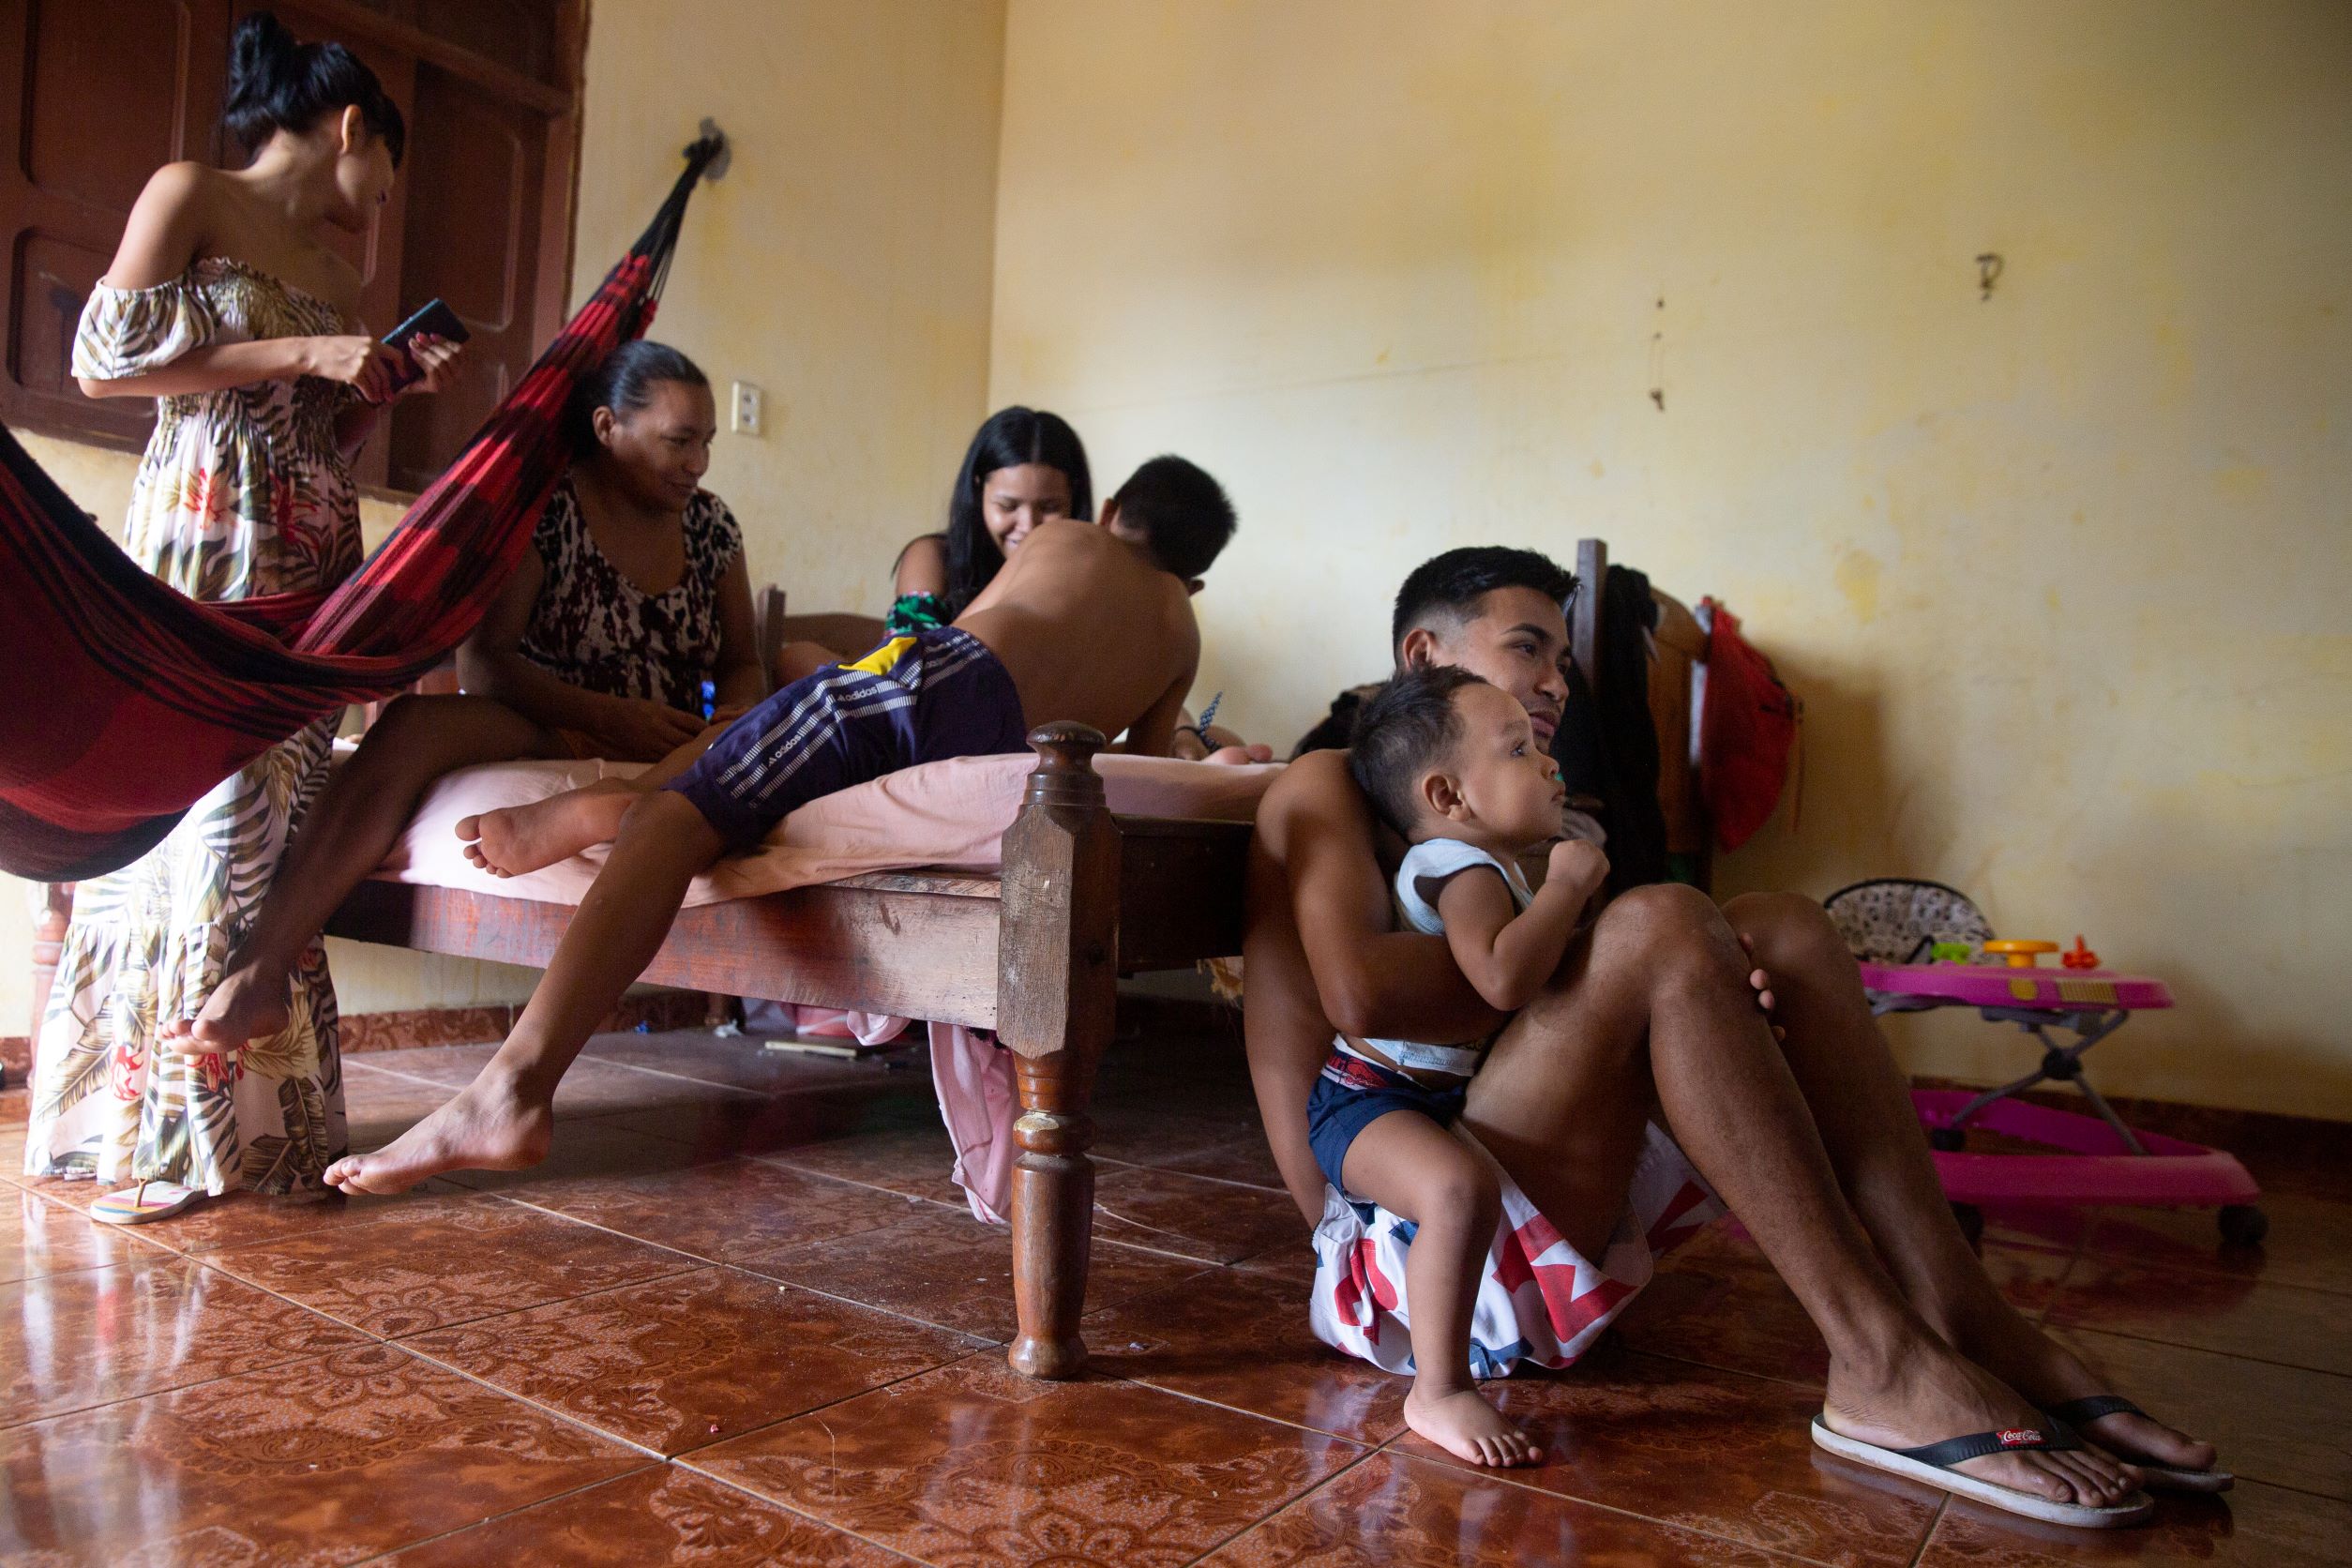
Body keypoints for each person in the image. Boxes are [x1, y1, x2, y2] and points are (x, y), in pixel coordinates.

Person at [1244, 547, 2224, 1527]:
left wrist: (1684, 976)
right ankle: (1878, 1364)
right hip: (1402, 1253)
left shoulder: (1510, 818)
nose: (1557, 684)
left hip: (1498, 1175)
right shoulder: (1330, 783)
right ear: (1423, 655)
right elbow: (1363, 998)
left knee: (1784, 930)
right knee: (1661, 927)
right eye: (1527, 650)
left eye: (1565, 663)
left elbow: (1547, 994)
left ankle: (1961, 1315)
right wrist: (1640, 962)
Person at [323, 456, 1240, 1195]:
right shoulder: (1181, 633)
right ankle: (631, 814)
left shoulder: (1072, 536)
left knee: (684, 816)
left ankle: (513, 1085)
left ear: (1115, 504)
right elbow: (1147, 756)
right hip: (1005, 753)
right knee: (751, 779)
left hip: (935, 682)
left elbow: (963, 633)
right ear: (1194, 573)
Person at [23, 12, 463, 1223]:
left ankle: (261, 1129)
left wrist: (369, 383)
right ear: (353, 127)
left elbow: (317, 427)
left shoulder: (341, 273)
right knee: (191, 807)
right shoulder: (195, 193)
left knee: (277, 825)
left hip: (314, 544)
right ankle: (151, 1122)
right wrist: (305, 348)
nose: (379, 200)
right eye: (387, 171)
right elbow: (103, 363)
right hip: (206, 531)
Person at [174, 339, 764, 1059]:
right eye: (679, 441)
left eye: (705, 442)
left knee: (758, 727)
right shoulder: (549, 508)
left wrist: (735, 716)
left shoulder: (711, 528)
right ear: (609, 428)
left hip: (672, 736)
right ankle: (262, 968)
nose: (698, 462)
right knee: (415, 724)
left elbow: (741, 661)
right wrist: (605, 715)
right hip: (552, 716)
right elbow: (487, 664)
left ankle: (631, 796)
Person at [1313, 665, 1605, 1466]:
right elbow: (1503, 978)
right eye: (1517, 749)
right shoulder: (1458, 866)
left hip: (1423, 1097)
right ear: (1447, 798)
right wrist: (1570, 889)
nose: (1549, 760)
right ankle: (1437, 1391)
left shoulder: (1495, 869)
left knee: (1475, 1184)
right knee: (1456, 1189)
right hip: (1366, 1101)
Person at [775, 405, 1091, 683]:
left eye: (1049, 507)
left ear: (1074, 498)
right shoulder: (932, 558)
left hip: (1023, 732)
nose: (1029, 525)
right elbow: (912, 675)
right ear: (978, 488)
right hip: (923, 715)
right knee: (797, 657)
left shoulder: (1085, 577)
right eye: (1008, 506)